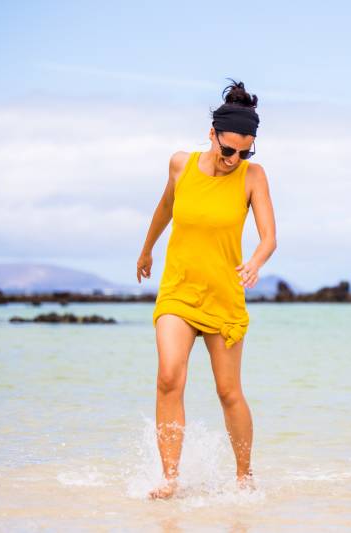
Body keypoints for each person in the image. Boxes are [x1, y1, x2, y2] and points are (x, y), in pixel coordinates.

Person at [136, 80, 277, 499]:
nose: (235, 158)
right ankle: (169, 480)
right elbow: (165, 207)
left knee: (228, 391)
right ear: (212, 134)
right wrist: (146, 251)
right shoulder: (180, 164)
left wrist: (254, 262)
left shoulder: (253, 177)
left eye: (245, 151)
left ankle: (244, 475)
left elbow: (269, 237)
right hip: (178, 291)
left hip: (223, 296)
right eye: (229, 149)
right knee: (167, 378)